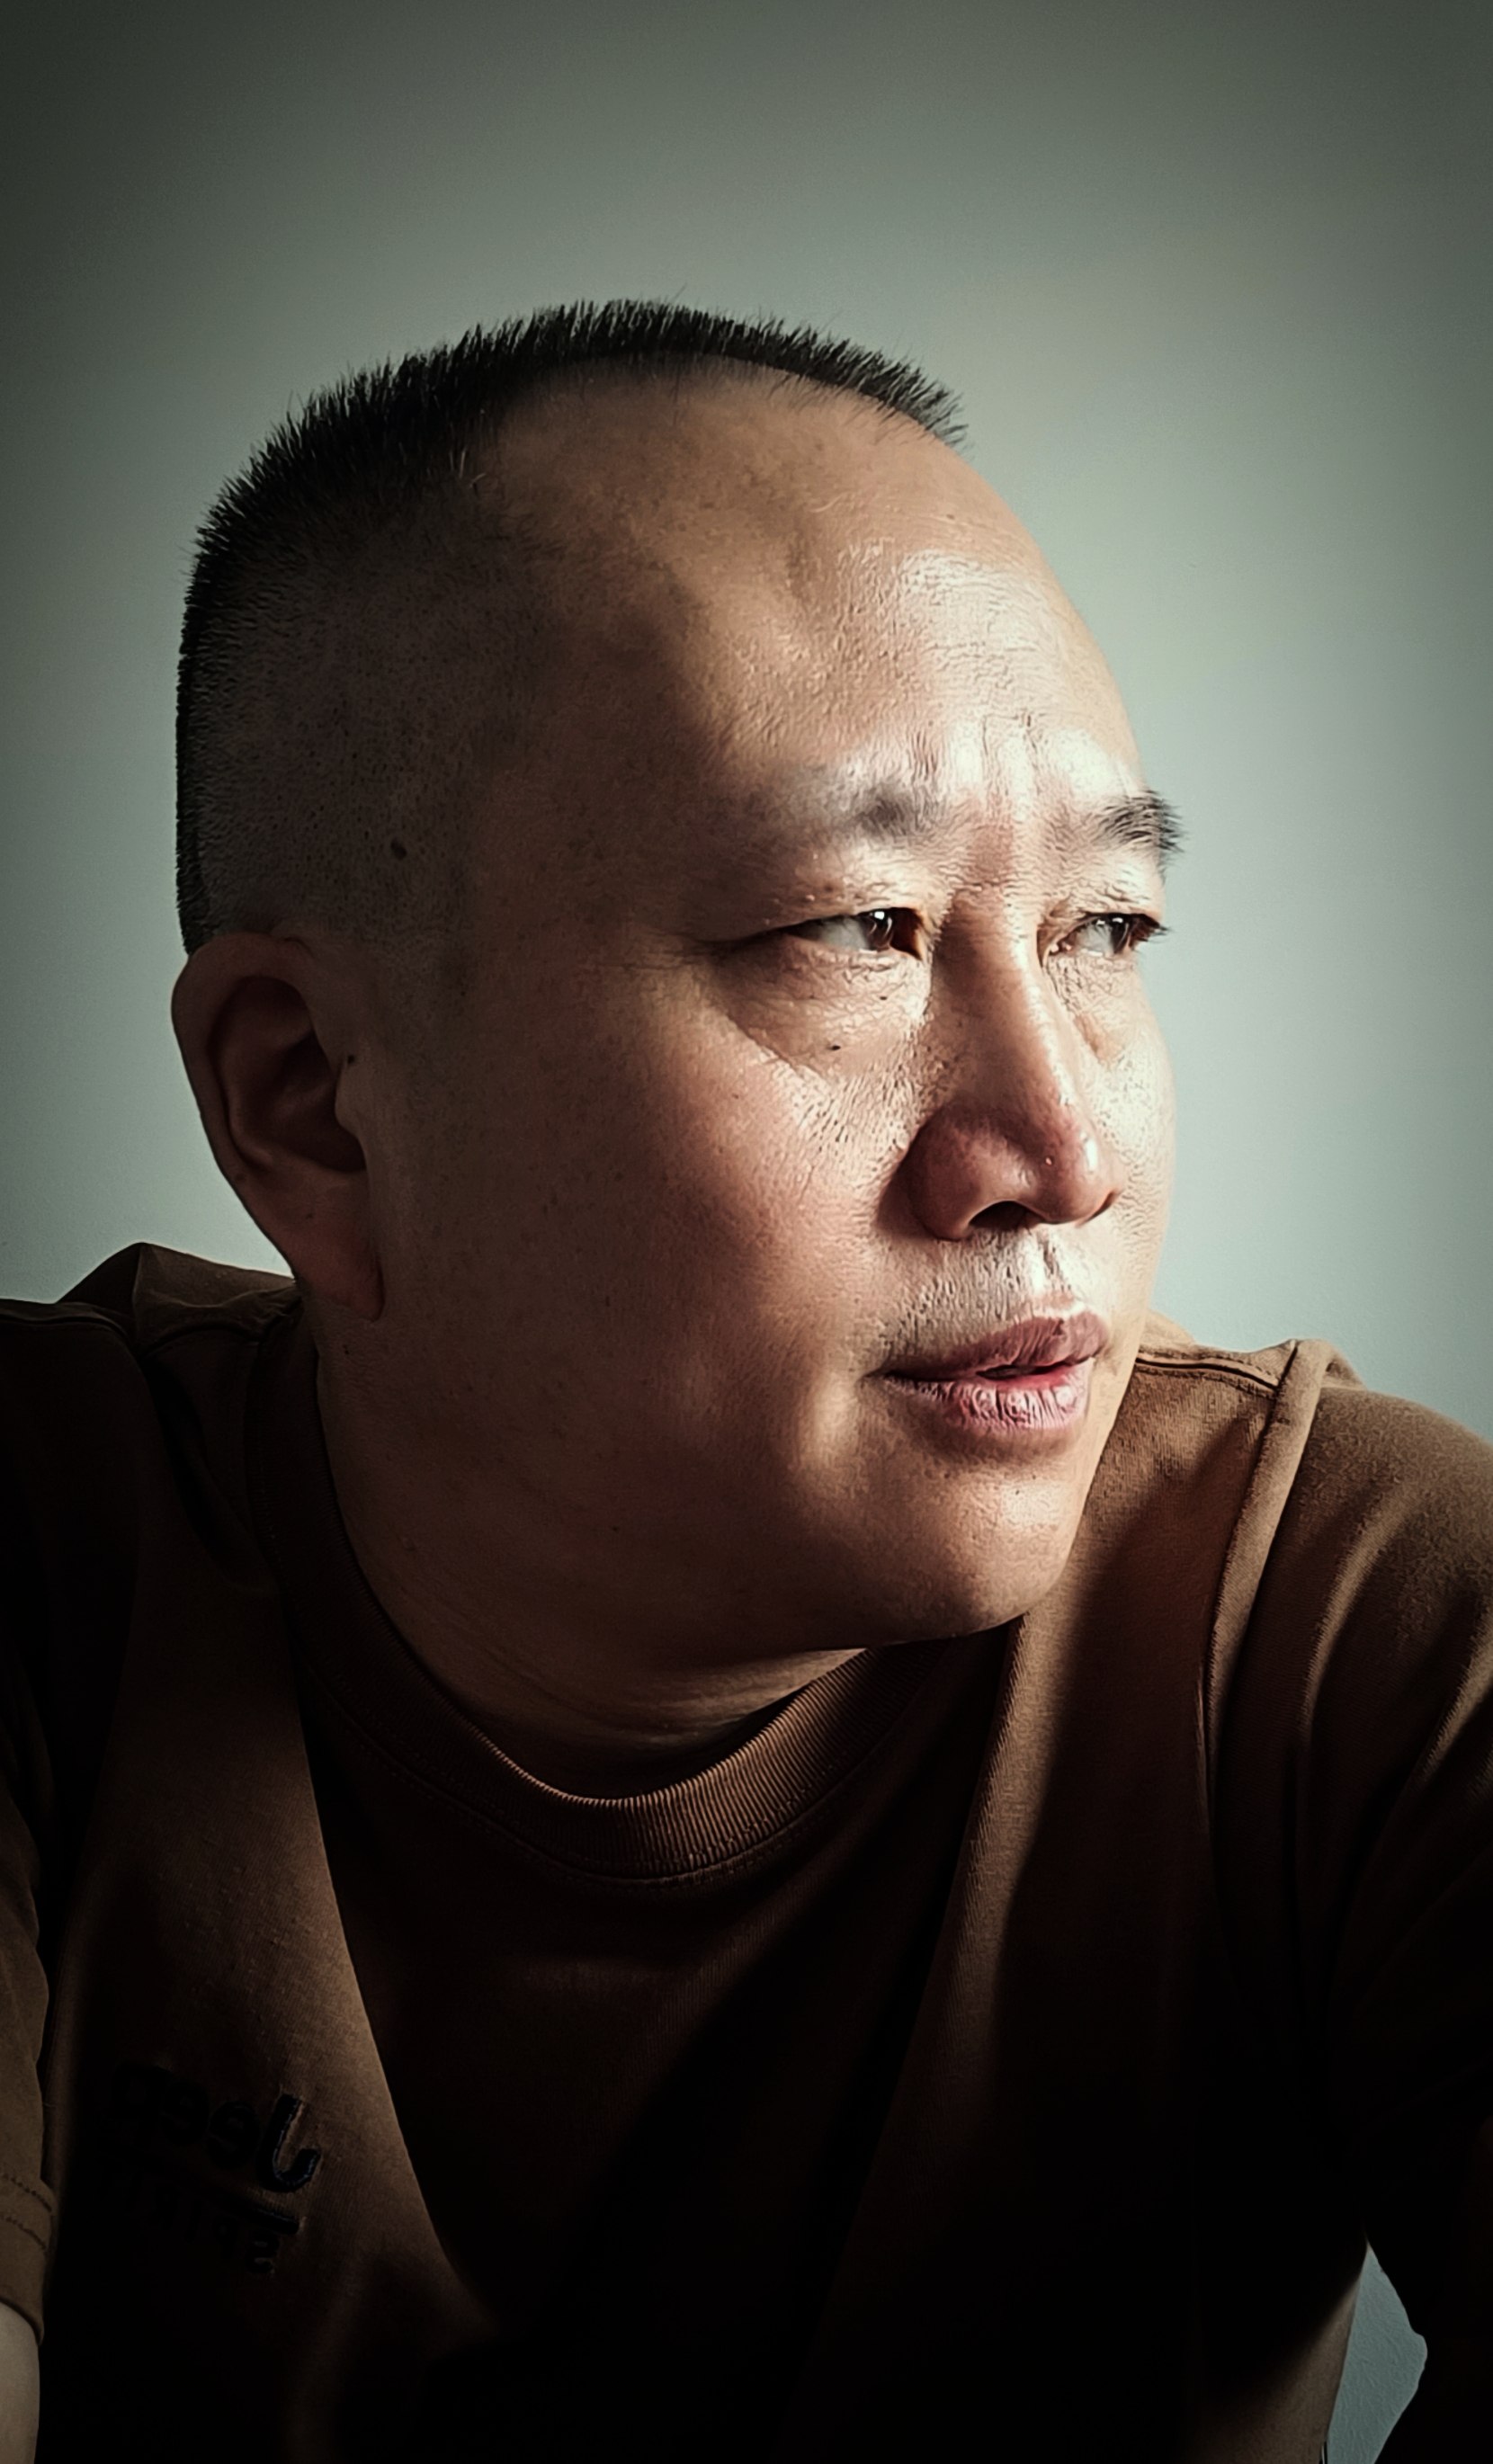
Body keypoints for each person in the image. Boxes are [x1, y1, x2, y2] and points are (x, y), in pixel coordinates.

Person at [0, 299, 1488, 2463]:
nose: (1062, 1147)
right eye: (851, 927)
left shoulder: (1342, 1621)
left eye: (1102, 928)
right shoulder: (49, 1550)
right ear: (311, 1097)